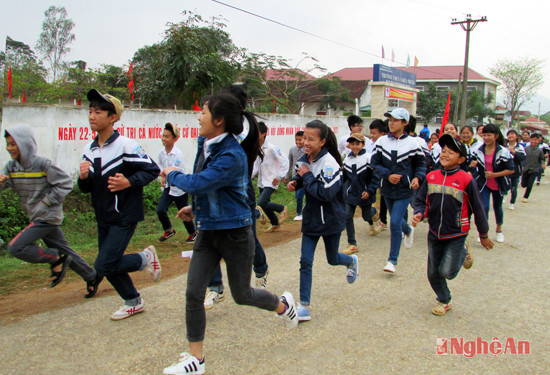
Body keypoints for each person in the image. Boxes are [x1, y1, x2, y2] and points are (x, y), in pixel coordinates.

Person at [161, 91, 298, 375]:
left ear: (219, 120)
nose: (199, 117)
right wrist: (195, 209)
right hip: (208, 231)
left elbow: (200, 181)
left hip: (235, 233)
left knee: (242, 294)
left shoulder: (233, 155)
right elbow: (209, 187)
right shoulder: (207, 144)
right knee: (193, 293)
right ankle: (196, 360)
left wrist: (172, 173)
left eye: (204, 112)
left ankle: (283, 306)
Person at [78, 89, 161, 320]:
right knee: (109, 264)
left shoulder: (125, 145)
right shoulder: (90, 148)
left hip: (124, 214)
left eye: (98, 112)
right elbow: (86, 188)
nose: (91, 116)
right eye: (90, 111)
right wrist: (83, 178)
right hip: (103, 216)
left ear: (112, 117)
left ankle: (144, 258)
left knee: (103, 264)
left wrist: (129, 182)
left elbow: (152, 170)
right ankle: (133, 301)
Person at [1, 124, 102, 297]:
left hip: (47, 216)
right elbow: (4, 185)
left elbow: (65, 183)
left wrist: (47, 203)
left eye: (13, 144)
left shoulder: (42, 164)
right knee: (66, 251)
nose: (9, 148)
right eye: (7, 144)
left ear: (24, 144)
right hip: (36, 216)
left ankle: (54, 257)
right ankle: (91, 276)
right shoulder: (11, 167)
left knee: (15, 247)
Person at [412, 134, 493, 316]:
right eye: (444, 151)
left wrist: (484, 234)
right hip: (434, 232)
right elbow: (421, 200)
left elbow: (478, 209)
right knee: (433, 273)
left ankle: (463, 251)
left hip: (457, 234)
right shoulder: (431, 176)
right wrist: (419, 213)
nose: (445, 154)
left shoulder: (466, 180)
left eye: (451, 152)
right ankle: (444, 299)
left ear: (461, 159)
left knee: (447, 271)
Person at [288, 120, 359, 322]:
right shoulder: (303, 159)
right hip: (311, 219)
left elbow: (325, 193)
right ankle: (305, 306)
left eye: (311, 139)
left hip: (331, 220)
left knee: (332, 259)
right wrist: (296, 182)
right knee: (305, 261)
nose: (306, 142)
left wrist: (307, 176)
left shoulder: (330, 165)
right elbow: (302, 177)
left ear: (322, 141)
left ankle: (351, 261)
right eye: (304, 137)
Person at [371, 108, 426, 273]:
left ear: (404, 123)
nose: (391, 123)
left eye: (395, 120)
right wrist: (387, 176)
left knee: (394, 222)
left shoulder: (413, 143)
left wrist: (417, 178)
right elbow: (374, 164)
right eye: (390, 119)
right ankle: (408, 230)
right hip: (387, 188)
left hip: (405, 189)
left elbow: (421, 164)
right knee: (394, 218)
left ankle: (392, 261)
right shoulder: (381, 142)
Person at [470, 124, 514, 243]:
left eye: (489, 135)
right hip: (483, 183)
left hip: (498, 184)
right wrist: (473, 164)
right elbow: (471, 162)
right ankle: (484, 232)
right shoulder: (478, 150)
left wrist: (495, 175)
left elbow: (511, 169)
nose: (486, 138)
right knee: (484, 207)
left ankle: (499, 229)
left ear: (496, 136)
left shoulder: (503, 152)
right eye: (484, 135)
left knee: (497, 207)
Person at [156, 123, 197, 242]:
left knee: (184, 213)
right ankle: (169, 230)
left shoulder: (178, 154)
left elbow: (174, 170)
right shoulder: (161, 153)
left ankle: (192, 233)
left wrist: (164, 175)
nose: (163, 138)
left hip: (179, 189)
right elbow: (161, 167)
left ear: (175, 139)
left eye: (167, 136)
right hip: (169, 188)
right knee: (160, 210)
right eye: (163, 135)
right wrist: (162, 175)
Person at [342, 133, 381, 255]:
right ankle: (352, 244)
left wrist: (369, 190)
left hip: (365, 193)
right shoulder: (347, 160)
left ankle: (374, 213)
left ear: (363, 145)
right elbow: (344, 178)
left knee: (366, 216)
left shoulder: (369, 158)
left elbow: (375, 178)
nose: (355, 146)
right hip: (351, 194)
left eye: (357, 144)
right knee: (348, 215)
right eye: (352, 144)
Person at [253, 122, 289, 233]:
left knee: (261, 203)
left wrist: (279, 176)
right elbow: (255, 166)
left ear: (263, 134)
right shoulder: (256, 148)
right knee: (265, 205)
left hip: (271, 181)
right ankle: (275, 223)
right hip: (261, 181)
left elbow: (285, 161)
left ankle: (281, 208)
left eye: (256, 132)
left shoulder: (272, 148)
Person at [369, 119, 389, 229]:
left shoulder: (386, 145)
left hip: (383, 175)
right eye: (370, 133)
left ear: (382, 133)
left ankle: (384, 220)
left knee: (385, 197)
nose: (372, 135)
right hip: (372, 175)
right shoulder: (371, 144)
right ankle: (375, 216)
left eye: (374, 133)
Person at [284, 130, 305, 220]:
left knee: (300, 195)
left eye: (300, 140)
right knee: (298, 196)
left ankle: (299, 213)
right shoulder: (292, 150)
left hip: (305, 177)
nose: (298, 142)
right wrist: (286, 176)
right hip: (295, 177)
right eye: (296, 140)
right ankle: (301, 211)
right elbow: (289, 163)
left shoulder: (307, 150)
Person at [521, 133, 545, 203]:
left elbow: (542, 158)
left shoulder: (540, 150)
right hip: (526, 168)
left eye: (535, 140)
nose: (534, 141)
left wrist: (543, 164)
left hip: (534, 169)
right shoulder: (526, 149)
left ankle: (526, 197)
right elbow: (522, 157)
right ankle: (525, 185)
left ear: (538, 141)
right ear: (530, 140)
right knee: (523, 184)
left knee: (530, 184)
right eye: (532, 139)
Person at [505, 130, 526, 210]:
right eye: (509, 134)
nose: (511, 136)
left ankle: (512, 202)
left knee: (514, 188)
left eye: (512, 134)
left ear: (516, 136)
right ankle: (504, 195)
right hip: (505, 169)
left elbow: (522, 157)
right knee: (505, 185)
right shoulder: (504, 146)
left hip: (515, 170)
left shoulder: (520, 147)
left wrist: (514, 152)